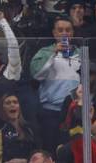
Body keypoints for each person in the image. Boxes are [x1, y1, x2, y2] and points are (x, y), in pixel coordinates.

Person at [30, 15, 82, 153]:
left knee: (74, 151)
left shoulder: (82, 54)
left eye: (68, 30)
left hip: (75, 111)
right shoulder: (44, 52)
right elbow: (36, 75)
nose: (64, 33)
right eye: (60, 30)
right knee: (51, 151)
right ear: (54, 33)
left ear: (73, 33)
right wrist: (54, 53)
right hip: (50, 113)